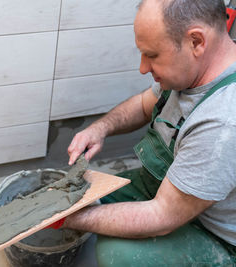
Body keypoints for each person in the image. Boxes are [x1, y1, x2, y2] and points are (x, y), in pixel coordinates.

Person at [63, 0, 236, 265]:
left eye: (152, 55)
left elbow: (163, 215)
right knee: (90, 197)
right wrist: (100, 128)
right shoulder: (192, 71)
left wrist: (67, 218)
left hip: (212, 233)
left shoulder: (223, 120)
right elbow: (146, 103)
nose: (143, 68)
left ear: (196, 42)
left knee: (118, 255)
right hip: (172, 193)